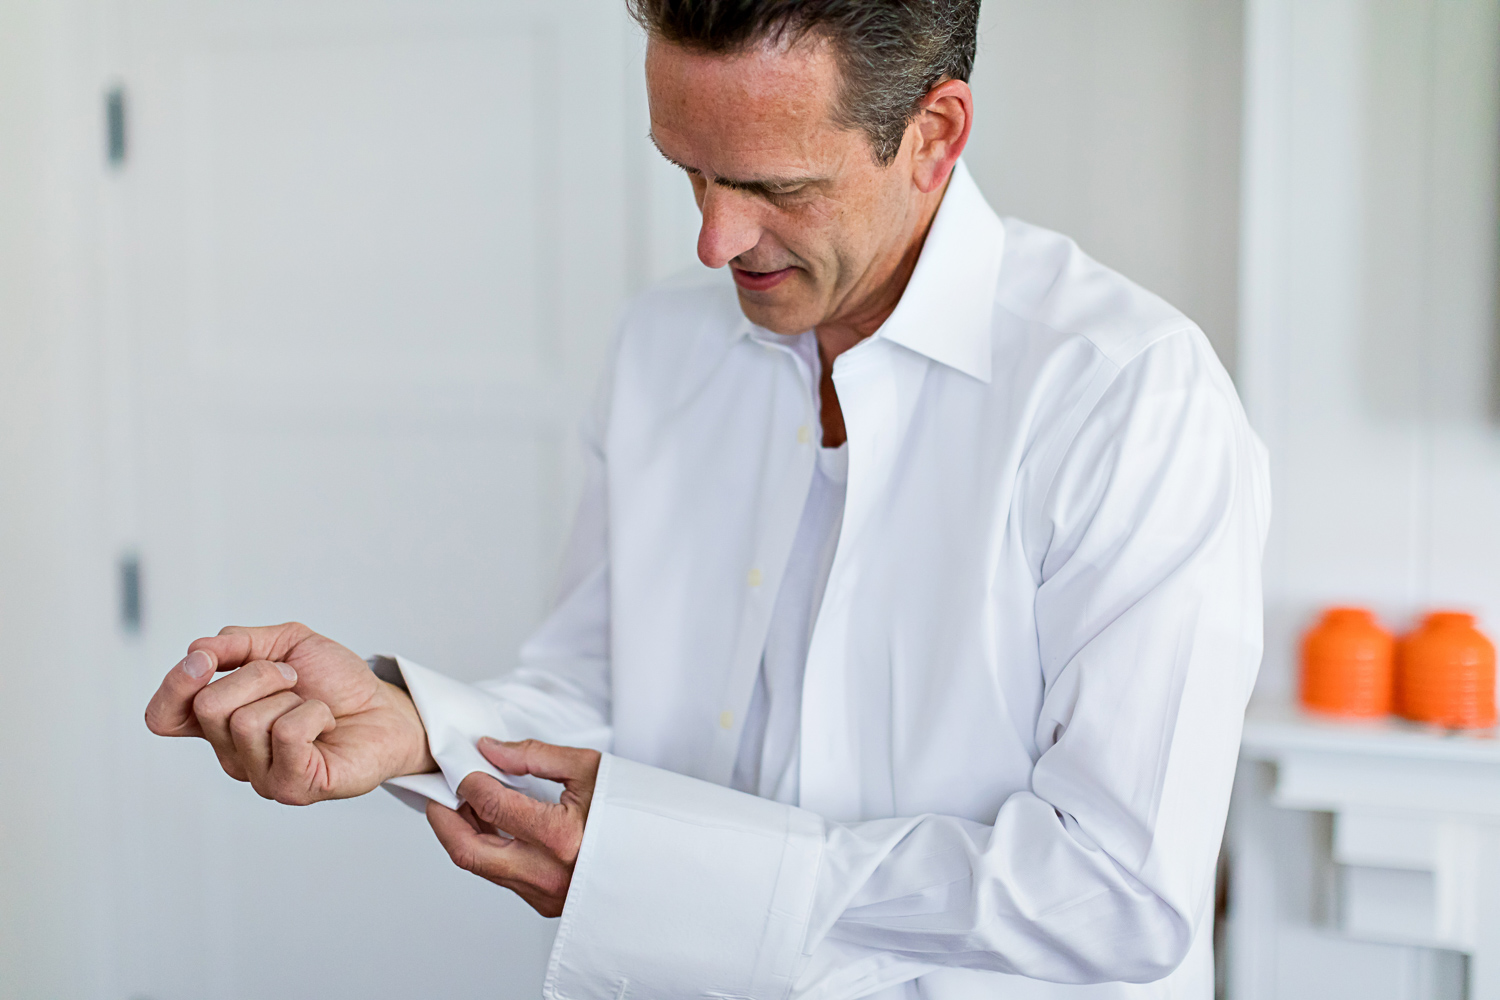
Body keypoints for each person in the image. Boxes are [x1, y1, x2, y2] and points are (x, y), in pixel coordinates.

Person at [144, 1, 1270, 996]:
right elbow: (592, 690)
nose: (715, 239)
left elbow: (1116, 890)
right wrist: (414, 721)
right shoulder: (660, 349)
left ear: (934, 135)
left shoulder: (1126, 396)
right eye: (689, 169)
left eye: (774, 187)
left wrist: (683, 872)